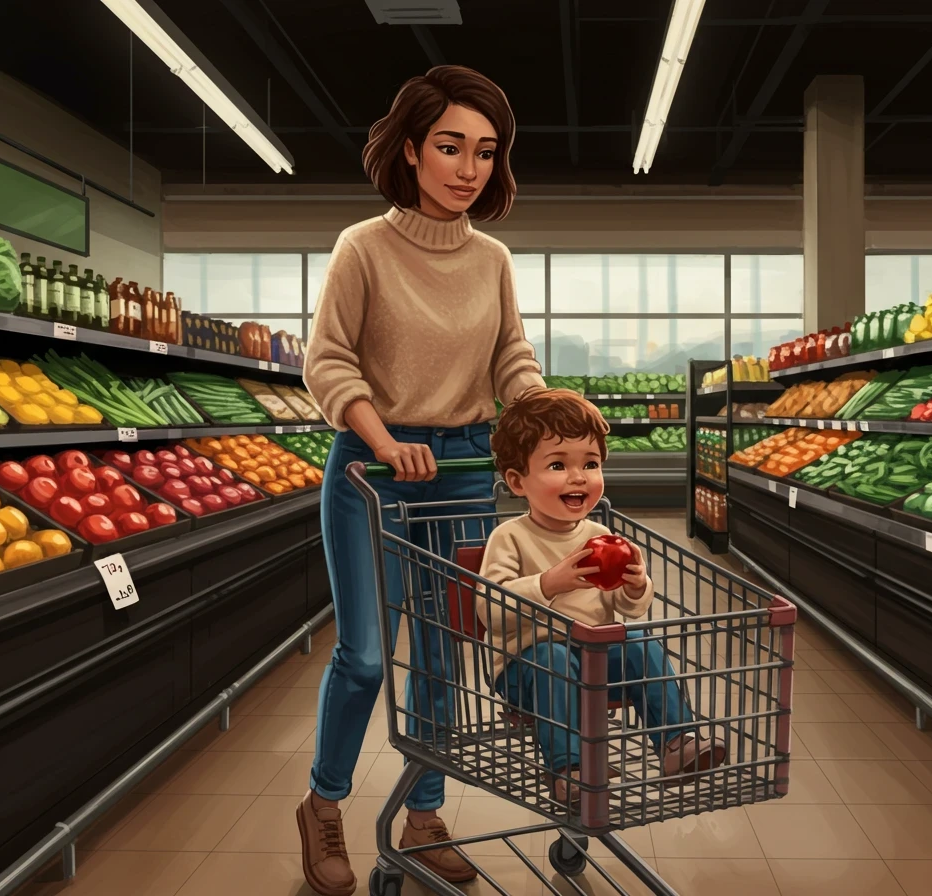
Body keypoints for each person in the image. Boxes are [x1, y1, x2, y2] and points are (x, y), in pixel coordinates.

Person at [298, 65, 543, 896]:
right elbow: (326, 360)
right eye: (449, 147)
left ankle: (424, 815)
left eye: (485, 151)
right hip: (373, 470)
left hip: (466, 469)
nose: (468, 168)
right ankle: (324, 804)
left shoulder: (494, 259)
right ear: (410, 150)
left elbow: (510, 355)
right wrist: (382, 439)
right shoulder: (362, 248)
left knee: (443, 658)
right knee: (367, 657)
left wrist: (546, 411)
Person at [478, 388, 726, 802]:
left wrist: (634, 586)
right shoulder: (510, 538)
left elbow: (626, 609)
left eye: (590, 464)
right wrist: (548, 583)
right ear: (518, 481)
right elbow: (491, 610)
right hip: (526, 665)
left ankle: (676, 743)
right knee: (553, 659)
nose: (579, 477)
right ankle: (571, 767)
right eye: (558, 464)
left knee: (640, 642)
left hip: (593, 658)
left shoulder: (601, 537)